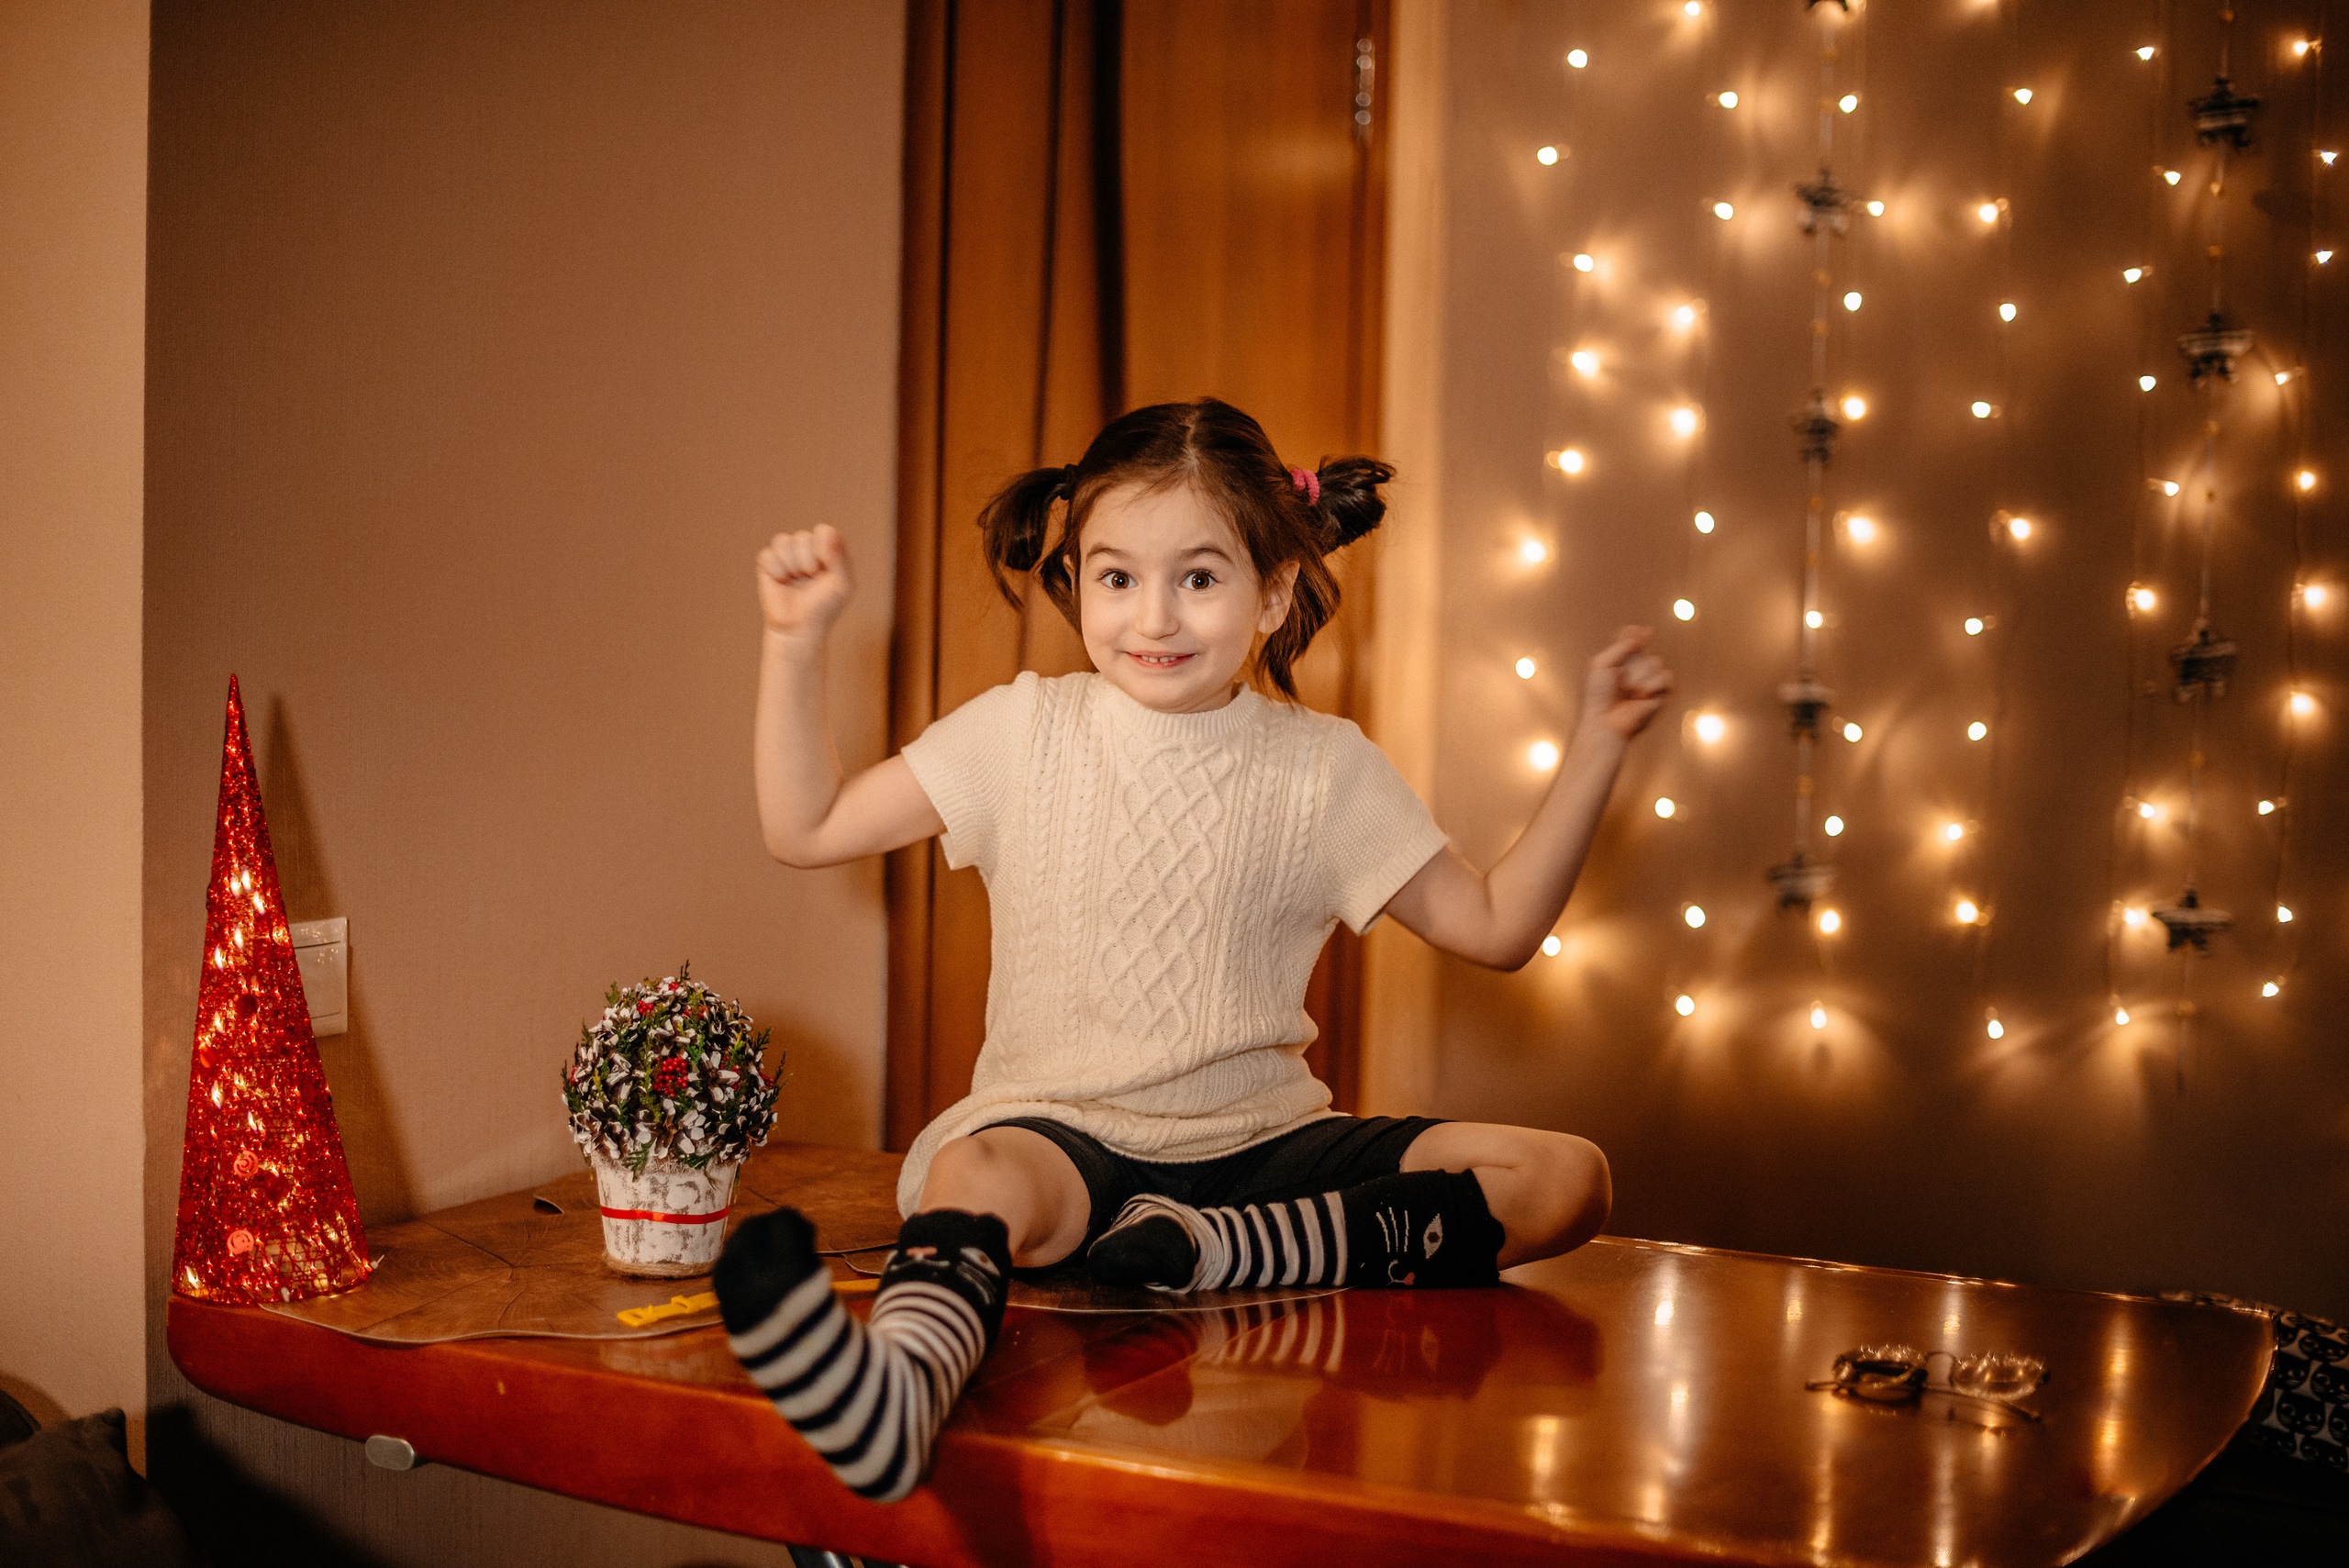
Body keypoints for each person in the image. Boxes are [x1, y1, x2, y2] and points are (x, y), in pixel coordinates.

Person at [715, 397, 1673, 1501]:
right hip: (1061, 1140)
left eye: (1200, 578)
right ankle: (899, 1387)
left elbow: (1498, 928)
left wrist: (1598, 741)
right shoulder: (1021, 729)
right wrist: (794, 644)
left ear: (1272, 591)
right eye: (1116, 577)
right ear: (1075, 580)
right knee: (974, 1172)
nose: (1153, 616)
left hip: (1264, 1154)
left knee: (1565, 1177)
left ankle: (1221, 1248)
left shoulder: (1325, 768)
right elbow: (806, 829)